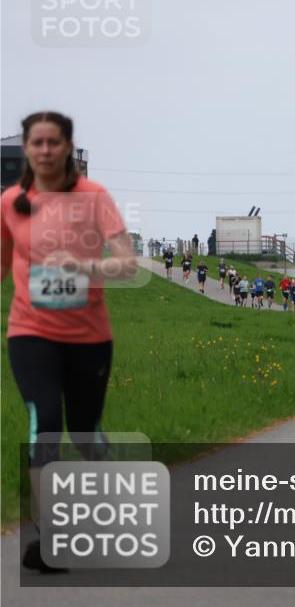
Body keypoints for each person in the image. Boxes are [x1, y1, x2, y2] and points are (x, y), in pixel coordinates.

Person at [1, 111, 138, 573]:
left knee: (86, 432)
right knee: (45, 424)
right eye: (36, 143)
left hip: (89, 337)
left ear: (66, 147)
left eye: (53, 142)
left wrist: (86, 268)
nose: (44, 150)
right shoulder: (10, 203)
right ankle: (49, 537)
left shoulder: (94, 198)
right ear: (27, 149)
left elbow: (128, 264)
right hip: (29, 332)